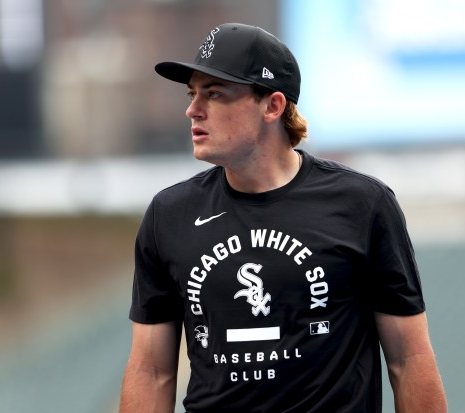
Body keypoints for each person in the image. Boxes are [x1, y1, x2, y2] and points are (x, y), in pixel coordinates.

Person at [119, 22, 447, 413]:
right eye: (192, 94)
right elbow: (151, 371)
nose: (193, 109)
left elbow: (408, 360)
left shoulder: (362, 204)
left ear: (272, 106)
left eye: (215, 93)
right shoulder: (169, 215)